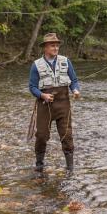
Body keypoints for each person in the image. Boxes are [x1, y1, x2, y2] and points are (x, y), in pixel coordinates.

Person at [28, 33, 80, 172]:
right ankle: (39, 165)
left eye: (57, 45)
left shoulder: (66, 61)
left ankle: (70, 168)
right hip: (45, 105)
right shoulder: (36, 65)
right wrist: (42, 95)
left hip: (64, 104)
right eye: (52, 45)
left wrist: (75, 90)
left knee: (67, 135)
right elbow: (32, 87)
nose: (56, 48)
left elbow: (74, 80)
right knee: (41, 136)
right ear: (45, 47)